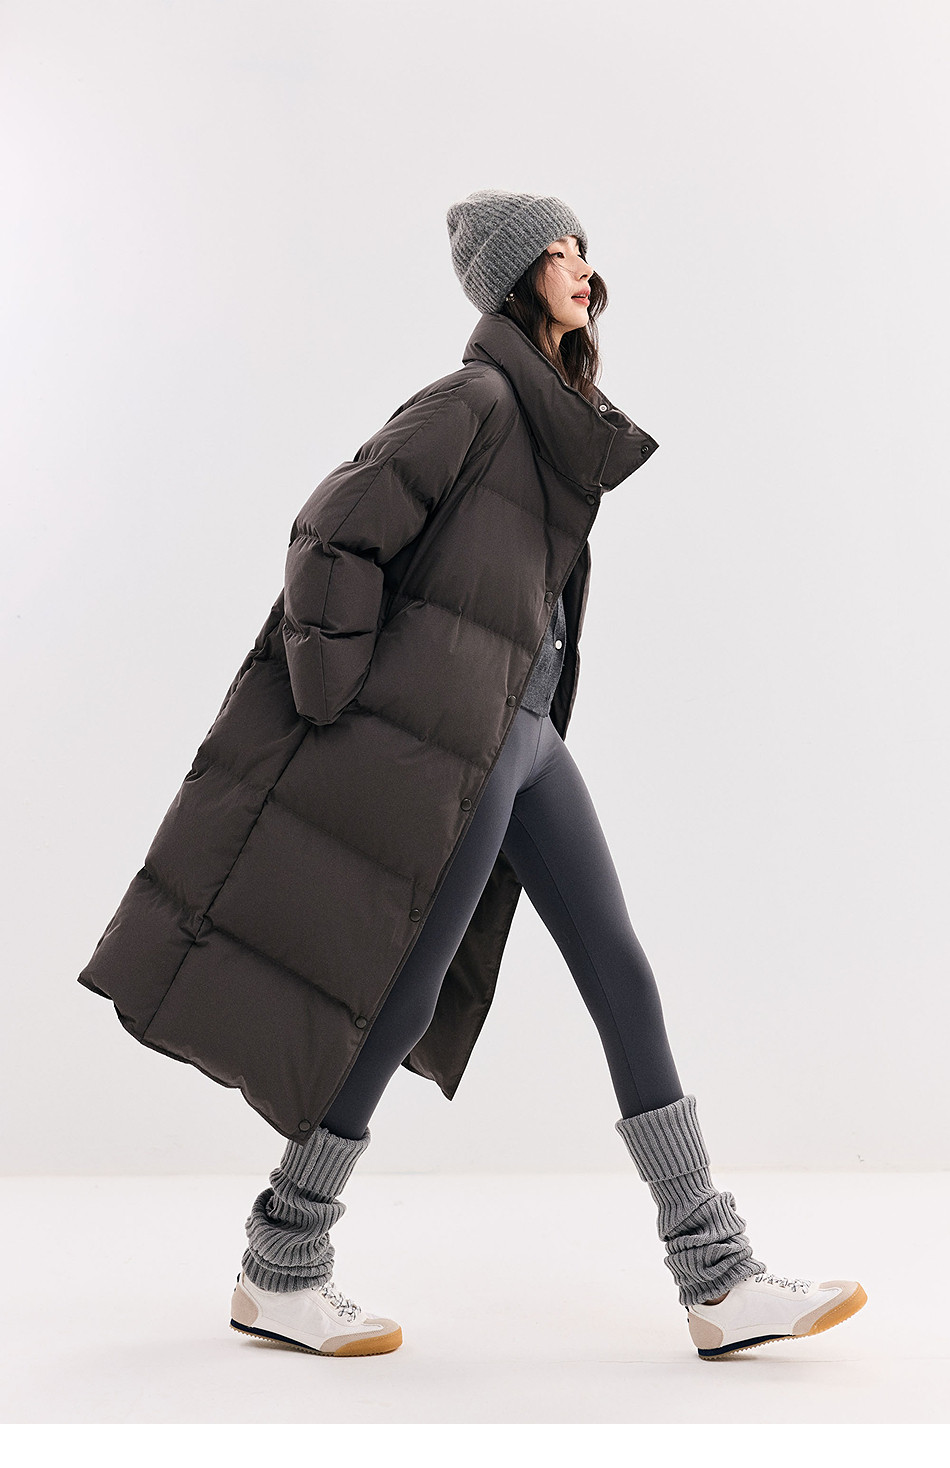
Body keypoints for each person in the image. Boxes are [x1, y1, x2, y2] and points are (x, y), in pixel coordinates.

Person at [79, 188, 867, 1363]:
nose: (579, 264)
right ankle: (284, 1260)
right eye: (554, 250)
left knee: (617, 968)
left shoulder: (554, 424)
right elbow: (329, 534)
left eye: (584, 247)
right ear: (511, 277)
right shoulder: (476, 401)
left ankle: (716, 1274)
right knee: (400, 993)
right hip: (465, 741)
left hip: (528, 736)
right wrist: (339, 697)